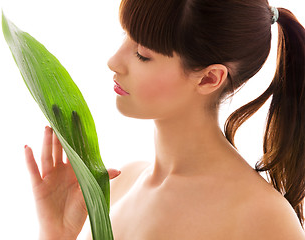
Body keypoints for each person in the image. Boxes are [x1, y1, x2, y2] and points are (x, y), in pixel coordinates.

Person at [24, 0, 305, 239]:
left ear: (209, 78)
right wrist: (56, 233)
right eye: (125, 36)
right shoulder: (120, 185)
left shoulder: (263, 220)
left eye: (142, 55)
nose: (114, 61)